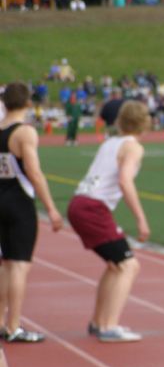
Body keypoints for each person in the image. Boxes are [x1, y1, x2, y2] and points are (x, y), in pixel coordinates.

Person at [67, 101, 150, 342]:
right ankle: (108, 326)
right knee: (129, 265)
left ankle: (98, 322)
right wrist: (141, 219)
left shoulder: (110, 143)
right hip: (93, 207)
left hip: (80, 203)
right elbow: (125, 181)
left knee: (115, 265)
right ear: (145, 123)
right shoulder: (133, 147)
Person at [0, 83, 64, 343]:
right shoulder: (24, 132)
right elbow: (34, 173)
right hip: (19, 202)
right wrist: (52, 208)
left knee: (5, 265)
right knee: (19, 265)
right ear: (27, 103)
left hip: (1, 197)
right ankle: (13, 326)